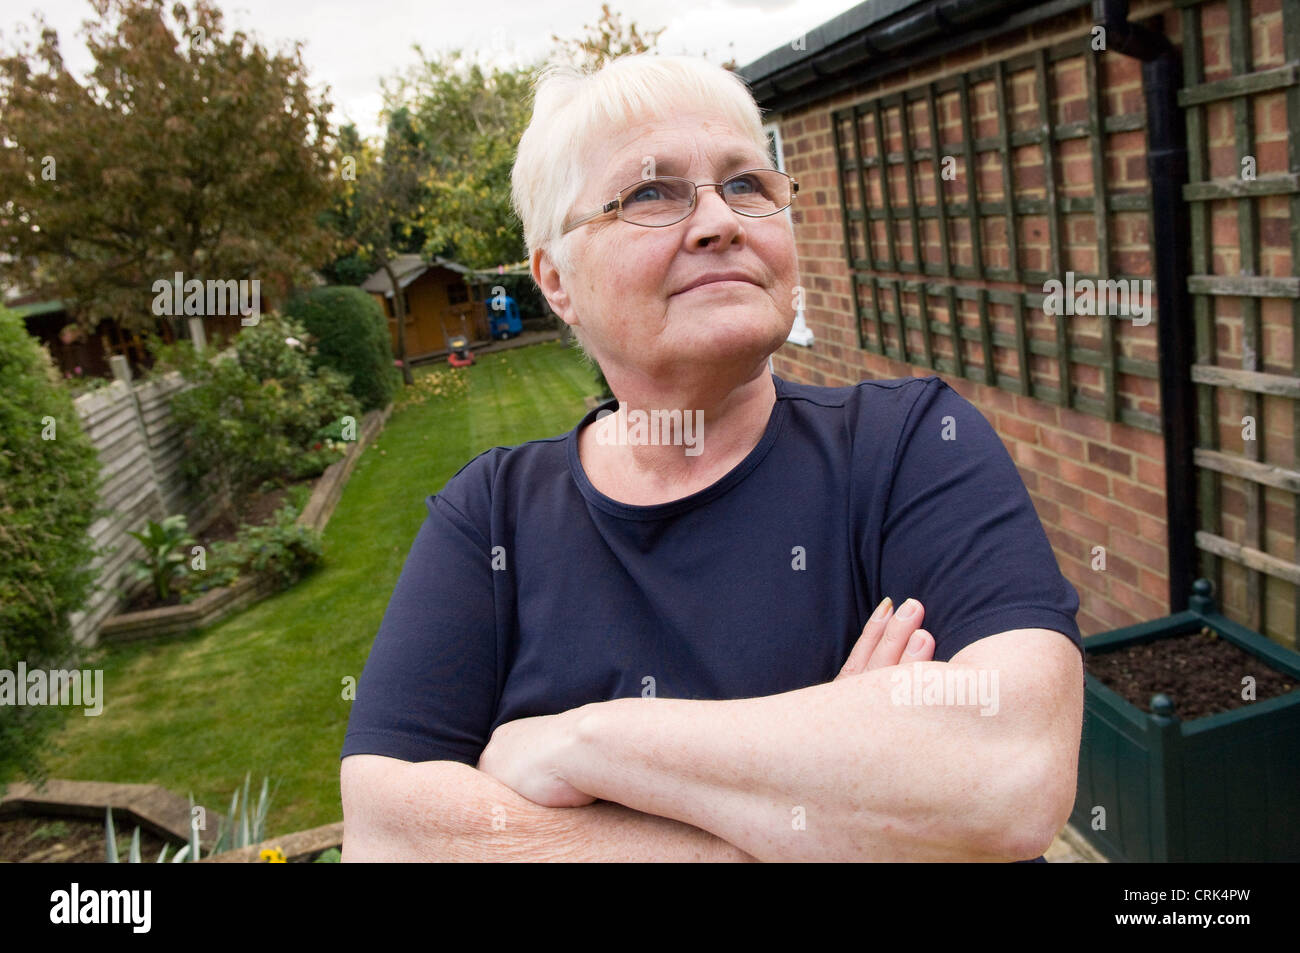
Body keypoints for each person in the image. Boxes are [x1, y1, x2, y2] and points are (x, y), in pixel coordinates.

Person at [340, 53, 1084, 862]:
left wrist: (586, 743)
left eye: (746, 185)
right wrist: (817, 800)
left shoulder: (909, 445)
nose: (719, 220)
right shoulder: (490, 518)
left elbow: (1008, 771)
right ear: (556, 280)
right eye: (652, 192)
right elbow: (389, 835)